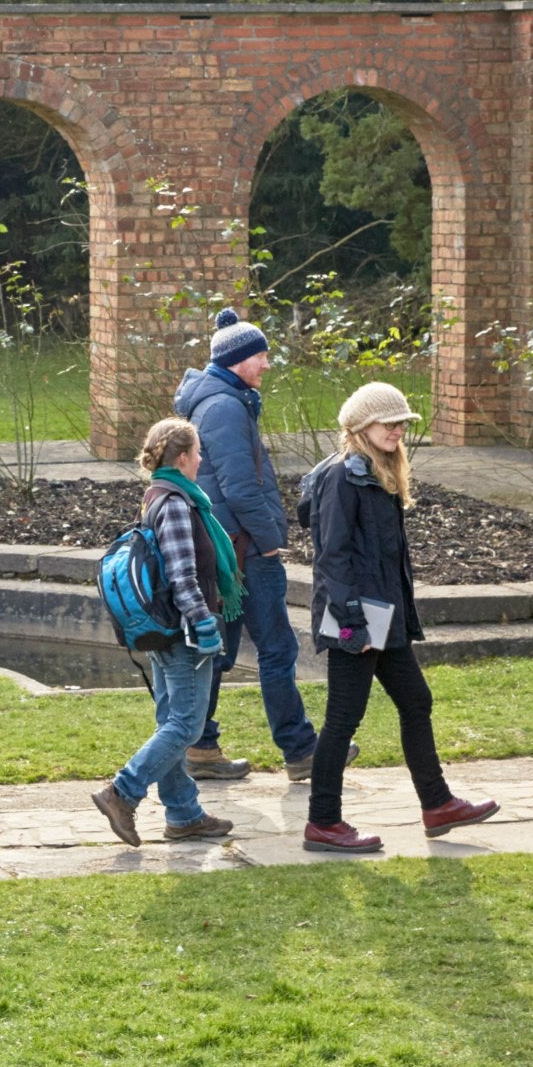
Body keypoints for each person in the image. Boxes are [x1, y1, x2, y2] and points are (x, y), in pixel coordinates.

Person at [298, 383, 498, 852]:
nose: (396, 430)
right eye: (387, 423)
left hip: (381, 617)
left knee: (416, 700)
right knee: (343, 719)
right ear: (360, 427)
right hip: (356, 620)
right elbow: (334, 559)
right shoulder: (343, 477)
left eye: (401, 423)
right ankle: (323, 822)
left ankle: (438, 804)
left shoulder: (376, 470)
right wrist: (353, 628)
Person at [176, 308, 320, 781]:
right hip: (245, 552)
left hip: (231, 549)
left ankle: (202, 747)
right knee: (277, 648)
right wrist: (271, 542)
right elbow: (241, 488)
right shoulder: (225, 407)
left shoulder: (222, 400)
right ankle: (301, 751)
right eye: (262, 355)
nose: (267, 364)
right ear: (239, 359)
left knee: (220, 652)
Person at [91, 418, 239, 845]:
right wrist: (203, 622)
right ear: (182, 458)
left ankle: (183, 814)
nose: (201, 459)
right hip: (184, 633)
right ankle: (122, 792)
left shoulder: (159, 493)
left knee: (170, 721)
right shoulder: (175, 502)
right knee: (186, 727)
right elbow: (181, 574)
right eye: (196, 452)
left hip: (165, 630)